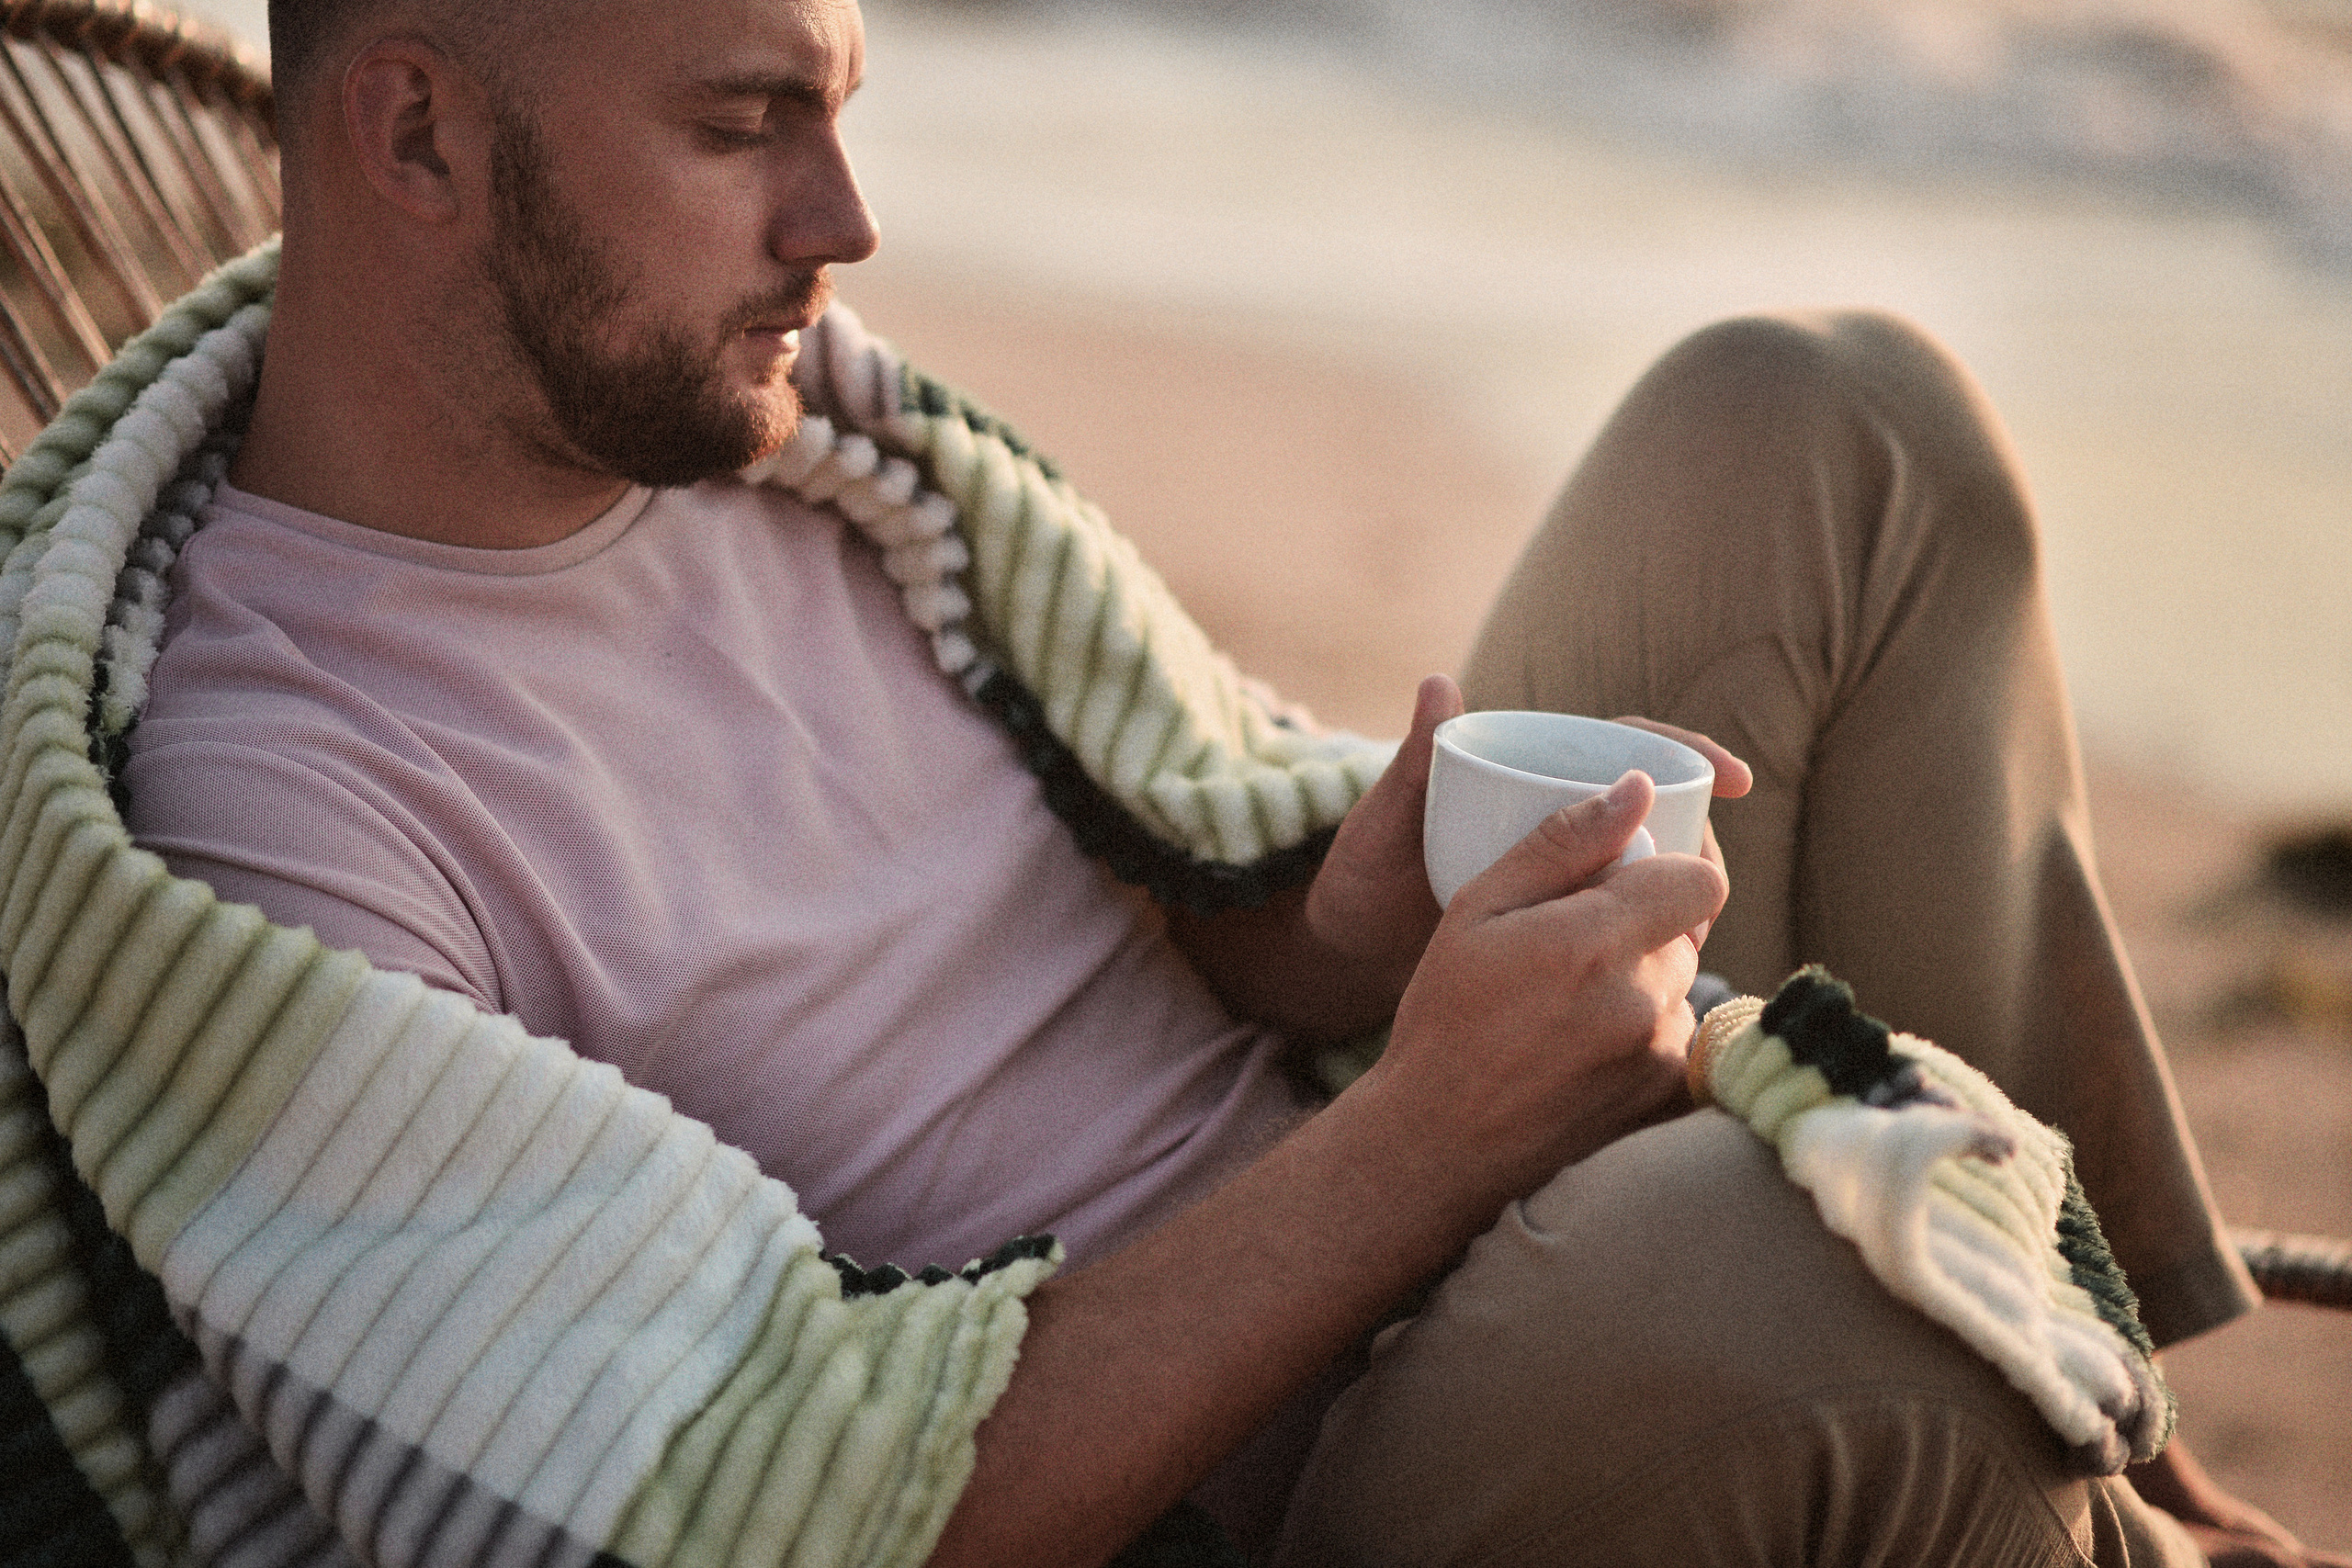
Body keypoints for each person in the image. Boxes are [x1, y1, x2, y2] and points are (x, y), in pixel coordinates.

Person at [76, 0, 2325, 1562]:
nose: (843, 222)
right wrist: (1432, 1142)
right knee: (1792, 1261)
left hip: (1379, 1154)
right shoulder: (279, 817)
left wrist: (1328, 926)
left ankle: (2143, 1461)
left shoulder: (773, 442)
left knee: (1823, 420)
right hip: (1241, 1482)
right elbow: (722, 1500)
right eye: (743, 121)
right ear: (415, 136)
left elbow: (1148, 838)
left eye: (838, 107)